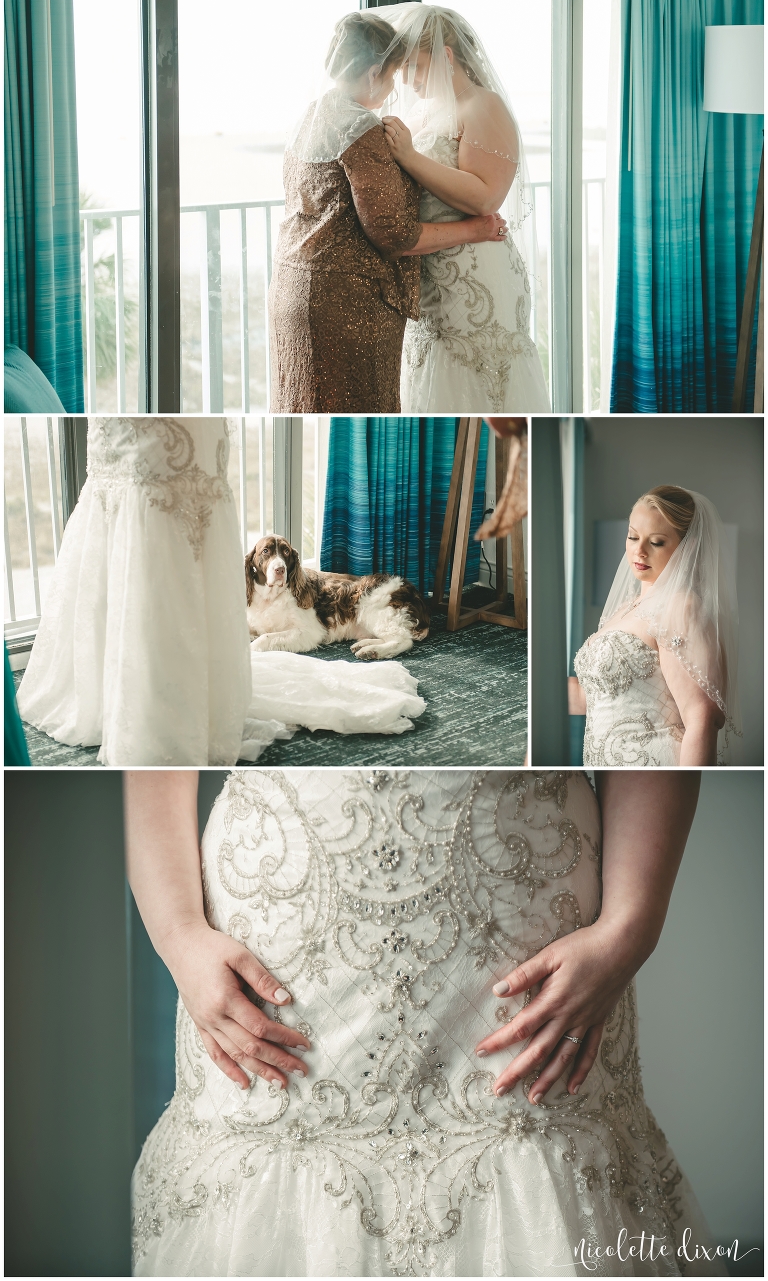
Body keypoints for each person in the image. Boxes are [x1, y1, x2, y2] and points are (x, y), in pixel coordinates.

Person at [128, 767, 725, 1278]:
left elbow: (646, 745)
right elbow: (151, 766)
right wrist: (178, 934)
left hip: (524, 930)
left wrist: (631, 926)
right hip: (284, 942)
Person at [16, 419, 425, 766]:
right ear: (256, 564)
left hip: (360, 605)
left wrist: (260, 643)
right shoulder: (253, 589)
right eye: (269, 555)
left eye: (283, 556)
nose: (277, 563)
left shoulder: (298, 588)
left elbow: (310, 634)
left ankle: (394, 641)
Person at [269, 12, 508, 414]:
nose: (400, 85)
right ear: (375, 71)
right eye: (398, 73)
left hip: (291, 289)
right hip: (344, 302)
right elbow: (395, 234)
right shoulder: (360, 127)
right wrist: (474, 230)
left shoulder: (310, 115)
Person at [379, 4, 551, 415]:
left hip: (478, 272)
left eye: (417, 68)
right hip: (433, 271)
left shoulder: (482, 106)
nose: (409, 80)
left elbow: (486, 196)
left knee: (475, 378)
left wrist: (409, 156)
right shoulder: (423, 112)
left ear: (447, 57)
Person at [570, 486, 740, 766]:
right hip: (606, 766)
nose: (639, 551)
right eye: (632, 536)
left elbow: (702, 717)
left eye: (657, 542)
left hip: (654, 766)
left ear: (688, 546)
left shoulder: (680, 606)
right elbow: (595, 696)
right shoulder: (625, 608)